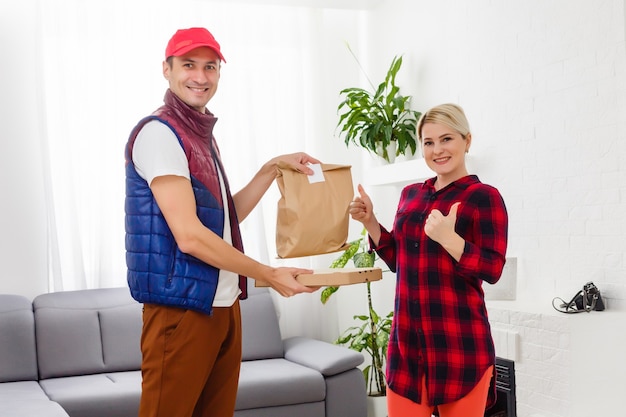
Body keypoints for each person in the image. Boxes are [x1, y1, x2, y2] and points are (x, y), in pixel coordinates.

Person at [124, 27, 318, 417]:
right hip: (181, 310)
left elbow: (224, 222)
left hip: (223, 306)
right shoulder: (161, 134)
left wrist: (269, 170)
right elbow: (191, 237)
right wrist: (269, 273)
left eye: (210, 67)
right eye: (189, 65)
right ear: (167, 69)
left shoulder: (200, 137)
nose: (200, 76)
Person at [349, 103, 508, 417]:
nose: (438, 150)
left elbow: (493, 269)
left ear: (467, 140)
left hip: (459, 345)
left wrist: (451, 241)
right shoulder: (411, 194)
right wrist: (370, 222)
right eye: (428, 142)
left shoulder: (484, 197)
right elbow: (398, 258)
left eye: (447, 139)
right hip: (407, 345)